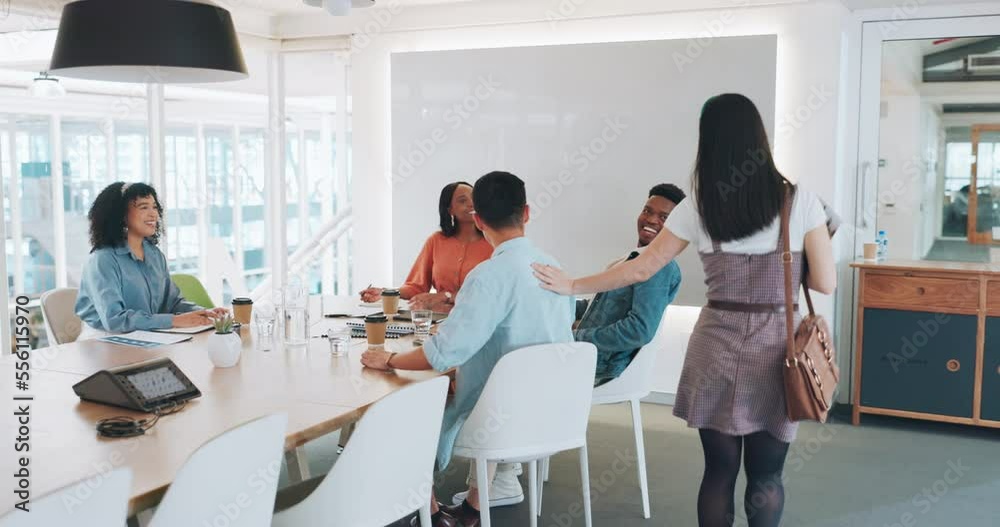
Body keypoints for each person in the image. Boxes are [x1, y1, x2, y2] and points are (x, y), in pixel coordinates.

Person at [533, 94, 837, 527]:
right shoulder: (801, 201)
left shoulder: (698, 205)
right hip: (776, 349)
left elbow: (640, 268)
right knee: (767, 475)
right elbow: (826, 282)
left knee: (718, 471)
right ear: (759, 139)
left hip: (715, 345)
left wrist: (572, 285)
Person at [362, 171, 574, 527]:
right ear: (526, 213)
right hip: (551, 409)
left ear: (478, 218)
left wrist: (390, 359)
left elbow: (442, 353)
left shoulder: (489, 275)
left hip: (498, 418)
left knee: (404, 407)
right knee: (487, 383)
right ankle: (475, 510)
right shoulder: (555, 267)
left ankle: (428, 513)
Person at [75, 182, 226, 340]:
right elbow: (115, 320)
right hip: (104, 340)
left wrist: (203, 313)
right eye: (143, 207)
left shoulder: (154, 255)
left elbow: (172, 303)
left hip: (147, 335)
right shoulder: (102, 260)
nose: (153, 214)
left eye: (154, 207)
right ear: (120, 214)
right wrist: (175, 321)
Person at [575, 183, 684, 387]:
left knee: (524, 359)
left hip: (600, 366)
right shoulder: (635, 260)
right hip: (587, 356)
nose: (651, 220)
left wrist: (576, 337)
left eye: (664, 217)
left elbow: (639, 330)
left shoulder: (657, 268)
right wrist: (553, 303)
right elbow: (596, 308)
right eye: (647, 211)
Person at [359, 181, 492, 312]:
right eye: (462, 201)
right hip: (440, 320)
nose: (472, 204)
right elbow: (416, 287)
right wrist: (385, 292)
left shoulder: (493, 242)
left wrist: (446, 296)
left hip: (480, 319)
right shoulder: (436, 241)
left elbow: (493, 292)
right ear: (450, 210)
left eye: (474, 199)